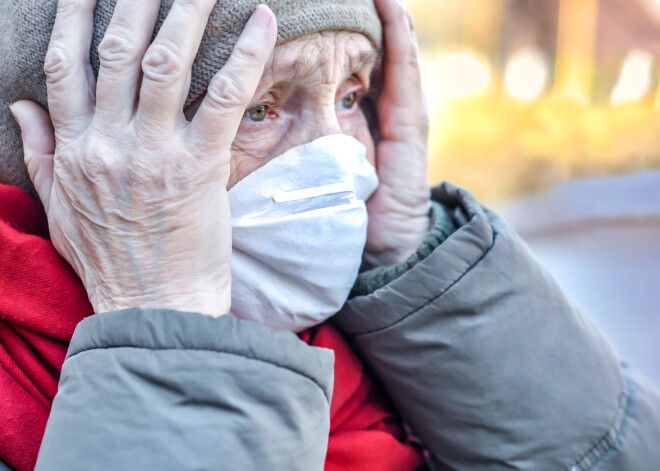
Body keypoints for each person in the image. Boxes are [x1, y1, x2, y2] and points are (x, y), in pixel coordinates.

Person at [0, 0, 659, 470]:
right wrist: (160, 320)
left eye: (350, 98)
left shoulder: (379, 349)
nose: (338, 159)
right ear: (83, 150)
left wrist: (418, 267)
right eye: (258, 107)